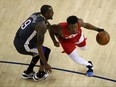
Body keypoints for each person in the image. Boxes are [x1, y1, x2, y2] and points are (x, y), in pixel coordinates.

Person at [14, 5, 54, 81]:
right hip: (23, 46)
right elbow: (39, 46)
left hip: (17, 40)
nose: (53, 13)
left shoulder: (36, 14)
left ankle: (28, 72)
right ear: (46, 14)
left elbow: (46, 23)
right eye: (51, 12)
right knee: (45, 51)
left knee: (37, 52)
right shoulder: (42, 27)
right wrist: (45, 64)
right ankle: (40, 74)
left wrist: (52, 29)